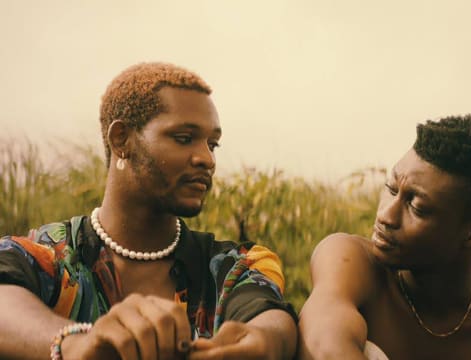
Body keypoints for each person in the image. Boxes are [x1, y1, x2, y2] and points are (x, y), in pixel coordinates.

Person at [0, 62, 297, 360]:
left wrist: (266, 340)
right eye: (184, 139)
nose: (207, 159)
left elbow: (269, 317)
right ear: (121, 140)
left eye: (213, 144)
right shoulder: (49, 257)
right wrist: (73, 343)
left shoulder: (231, 267)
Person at [298, 115, 471, 359]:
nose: (386, 215)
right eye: (391, 189)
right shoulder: (353, 262)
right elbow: (323, 342)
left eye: (416, 207)